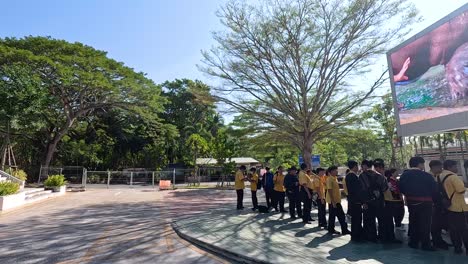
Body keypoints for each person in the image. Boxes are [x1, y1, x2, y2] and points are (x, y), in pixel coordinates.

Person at [399, 156, 438, 251]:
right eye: (423, 164)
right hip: (426, 203)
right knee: (425, 224)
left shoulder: (405, 175)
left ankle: (413, 242)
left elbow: (401, 188)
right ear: (419, 164)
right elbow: (434, 190)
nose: (423, 166)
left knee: (413, 222)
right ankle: (426, 244)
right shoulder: (427, 176)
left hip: (411, 202)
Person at [438, 160, 468, 255]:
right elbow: (461, 190)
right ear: (450, 167)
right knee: (464, 229)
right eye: (456, 166)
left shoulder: (440, 175)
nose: (457, 168)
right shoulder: (453, 177)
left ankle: (457, 248)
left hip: (448, 206)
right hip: (458, 206)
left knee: (453, 229)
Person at [360, 159, 387, 242]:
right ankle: (382, 236)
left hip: (368, 202)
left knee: (370, 220)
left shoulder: (362, 176)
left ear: (365, 166)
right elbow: (385, 188)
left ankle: (372, 237)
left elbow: (361, 190)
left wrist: (363, 202)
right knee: (381, 220)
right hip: (379, 201)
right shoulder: (379, 176)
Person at [429, 160, 451, 250]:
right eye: (440, 167)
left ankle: (439, 240)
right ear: (434, 167)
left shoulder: (437, 176)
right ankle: (436, 241)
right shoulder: (429, 177)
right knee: (435, 224)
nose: (441, 169)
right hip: (433, 204)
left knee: (438, 224)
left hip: (438, 204)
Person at [326, 165, 351, 235]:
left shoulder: (335, 178)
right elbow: (330, 190)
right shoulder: (329, 179)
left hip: (336, 200)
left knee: (332, 216)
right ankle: (344, 229)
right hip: (333, 201)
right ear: (331, 171)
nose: (337, 171)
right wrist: (333, 202)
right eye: (335, 170)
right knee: (341, 215)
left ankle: (331, 229)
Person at [382, 168, 403, 244]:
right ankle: (390, 237)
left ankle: (388, 236)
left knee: (390, 220)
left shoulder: (390, 180)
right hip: (393, 201)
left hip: (391, 201)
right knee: (390, 219)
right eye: (396, 172)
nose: (397, 173)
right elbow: (395, 191)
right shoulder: (390, 181)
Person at [346, 160, 364, 242]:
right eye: (357, 166)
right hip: (355, 200)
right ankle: (356, 236)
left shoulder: (350, 175)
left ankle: (357, 234)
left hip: (353, 200)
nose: (358, 168)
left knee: (356, 219)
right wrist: (362, 200)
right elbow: (357, 190)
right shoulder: (352, 176)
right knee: (357, 218)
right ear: (354, 166)